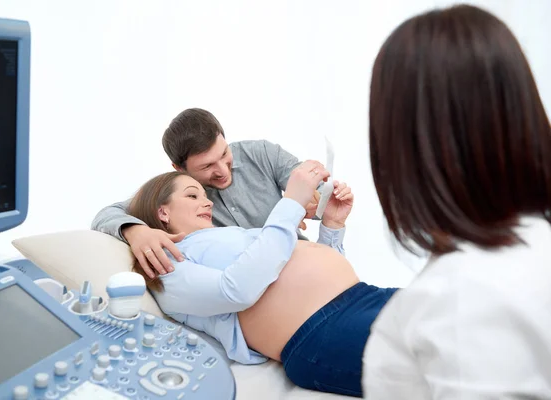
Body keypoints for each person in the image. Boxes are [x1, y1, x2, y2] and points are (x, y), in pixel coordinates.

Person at [362, 4, 551, 399]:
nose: (224, 171)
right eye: (194, 186)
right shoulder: (533, 240)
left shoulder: (463, 298)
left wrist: (322, 224)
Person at [126, 165, 398, 397]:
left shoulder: (229, 236)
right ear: (163, 213)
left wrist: (332, 226)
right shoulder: (167, 263)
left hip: (363, 296)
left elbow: (306, 272)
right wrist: (290, 204)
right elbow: (236, 290)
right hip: (319, 330)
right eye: (192, 195)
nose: (208, 202)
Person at [91, 108, 321, 279]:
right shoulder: (175, 193)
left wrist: (314, 199)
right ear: (179, 168)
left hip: (303, 262)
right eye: (206, 166)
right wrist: (135, 231)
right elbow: (106, 214)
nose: (222, 170)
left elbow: (311, 187)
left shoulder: (261, 153)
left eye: (224, 154)